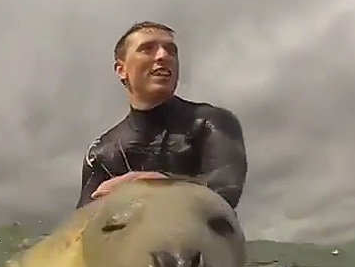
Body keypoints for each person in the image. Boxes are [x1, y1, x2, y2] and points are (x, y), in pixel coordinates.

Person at [75, 21, 248, 210]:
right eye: (147, 49)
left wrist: (161, 186)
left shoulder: (211, 123)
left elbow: (226, 190)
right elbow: (80, 223)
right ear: (121, 69)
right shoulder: (102, 153)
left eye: (171, 51)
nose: (163, 56)